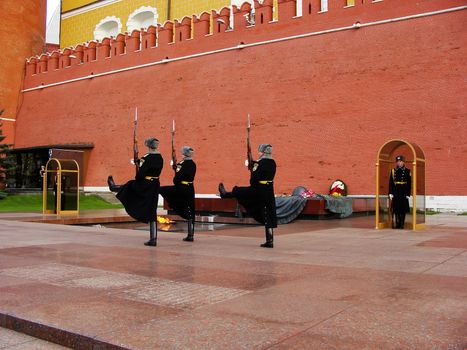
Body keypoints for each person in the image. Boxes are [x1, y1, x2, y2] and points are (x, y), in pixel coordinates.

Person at [218, 144, 277, 248]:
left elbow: (254, 179)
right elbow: (264, 170)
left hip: (258, 190)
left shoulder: (259, 163)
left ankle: (225, 194)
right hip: (269, 190)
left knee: (240, 191)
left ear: (262, 152)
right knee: (267, 213)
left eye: (259, 151)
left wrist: (253, 167)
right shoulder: (273, 162)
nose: (258, 153)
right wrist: (253, 165)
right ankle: (270, 241)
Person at [108, 137, 163, 246]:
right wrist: (139, 163)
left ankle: (114, 187)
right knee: (152, 211)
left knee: (130, 185)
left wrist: (139, 165)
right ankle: (153, 239)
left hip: (145, 185)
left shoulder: (146, 158)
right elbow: (152, 167)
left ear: (148, 145)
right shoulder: (160, 157)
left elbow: (139, 176)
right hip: (155, 184)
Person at [159, 146, 196, 242]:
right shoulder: (193, 163)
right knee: (190, 209)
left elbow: (176, 180)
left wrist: (176, 170)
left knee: (162, 190)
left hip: (181, 188)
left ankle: (172, 204)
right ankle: (190, 234)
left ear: (183, 154)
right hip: (190, 188)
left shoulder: (181, 164)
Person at [389, 155, 411, 229]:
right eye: (398, 161)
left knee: (403, 209)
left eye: (400, 161)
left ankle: (402, 224)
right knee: (396, 209)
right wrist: (390, 193)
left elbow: (409, 183)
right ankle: (397, 224)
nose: (399, 163)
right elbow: (391, 183)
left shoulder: (407, 171)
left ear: (403, 162)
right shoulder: (393, 171)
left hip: (403, 191)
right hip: (396, 191)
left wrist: (408, 193)